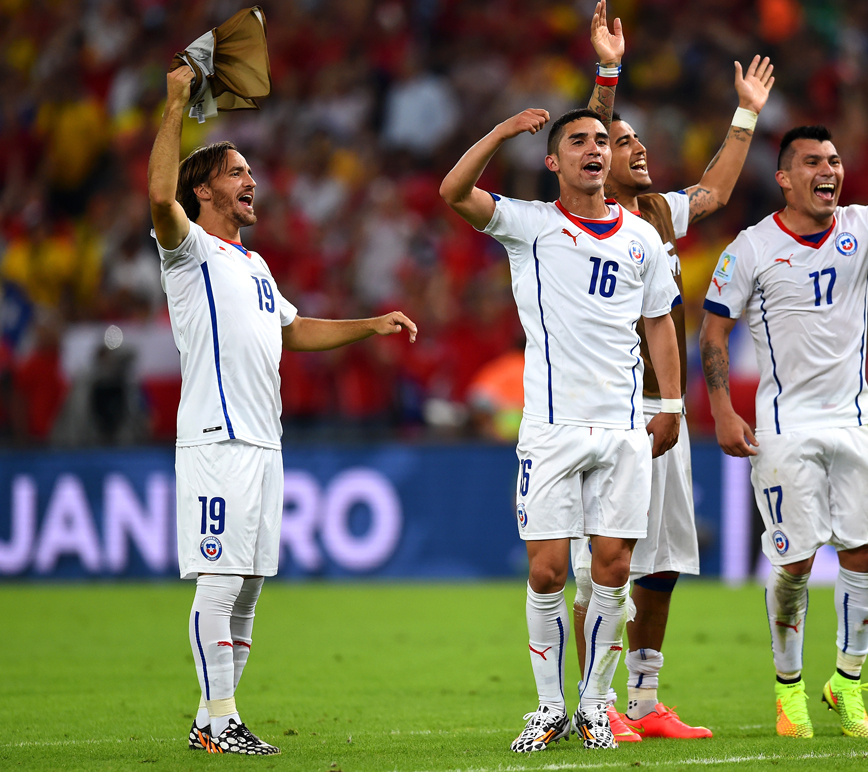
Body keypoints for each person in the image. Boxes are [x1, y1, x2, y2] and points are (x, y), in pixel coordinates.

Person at [149, 65, 417, 756]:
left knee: (248, 590)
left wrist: (370, 323)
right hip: (217, 436)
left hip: (264, 442)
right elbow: (156, 193)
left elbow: (292, 332)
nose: (251, 183)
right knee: (221, 576)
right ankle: (217, 718)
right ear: (203, 190)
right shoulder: (189, 252)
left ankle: (217, 720)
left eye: (251, 172)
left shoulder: (255, 265)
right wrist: (177, 100)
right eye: (237, 173)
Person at [698, 99, 868, 739]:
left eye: (835, 160)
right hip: (782, 426)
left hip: (855, 420)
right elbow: (712, 333)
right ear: (785, 178)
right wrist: (722, 411)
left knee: (863, 553)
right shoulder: (751, 247)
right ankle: (788, 690)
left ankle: (845, 682)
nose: (829, 169)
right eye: (814, 161)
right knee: (793, 564)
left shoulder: (864, 225)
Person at [439, 101, 683, 752]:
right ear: (553, 160)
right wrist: (498, 133)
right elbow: (453, 192)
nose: (594, 149)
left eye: (601, 140)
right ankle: (548, 708)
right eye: (578, 141)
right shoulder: (531, 225)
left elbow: (659, 320)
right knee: (548, 573)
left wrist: (674, 405)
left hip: (625, 425)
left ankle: (596, 708)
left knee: (613, 567)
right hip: (551, 427)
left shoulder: (640, 238)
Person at [568, 0, 776, 742]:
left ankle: (644, 698)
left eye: (635, 141)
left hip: (665, 409)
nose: (635, 149)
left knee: (661, 559)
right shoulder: (579, 220)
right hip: (599, 408)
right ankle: (593, 701)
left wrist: (746, 116)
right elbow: (585, 132)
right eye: (621, 143)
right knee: (605, 558)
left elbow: (715, 191)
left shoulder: (654, 212)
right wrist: (608, 75)